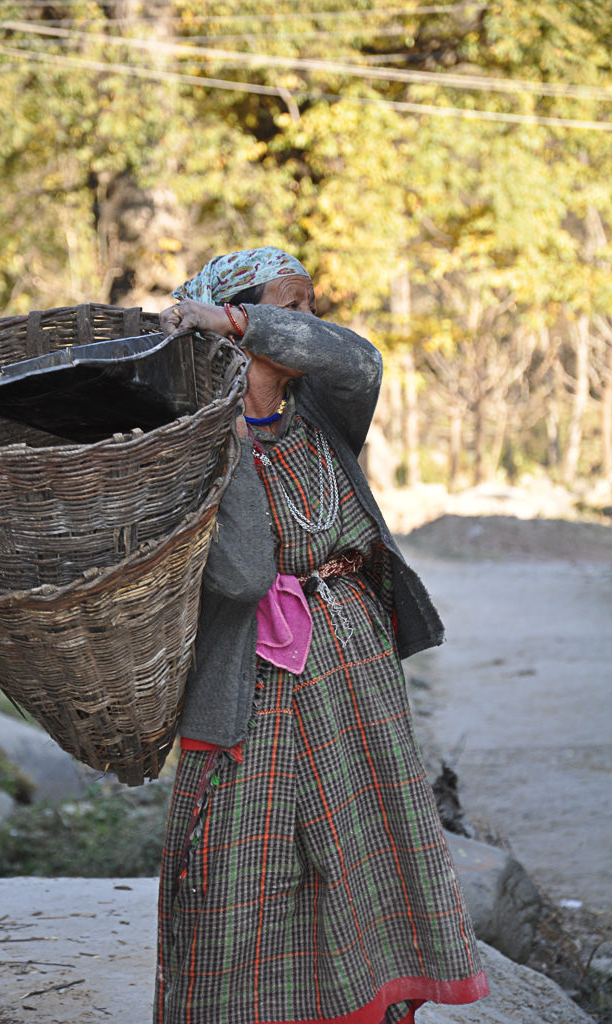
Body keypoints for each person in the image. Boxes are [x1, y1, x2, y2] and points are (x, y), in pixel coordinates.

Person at [154, 247, 489, 1024]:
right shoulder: (193, 443)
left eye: (304, 307)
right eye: (283, 308)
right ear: (225, 335)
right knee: (247, 856)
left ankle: (375, 1006)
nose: (302, 325)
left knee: (364, 843)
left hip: (352, 659)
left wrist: (239, 320)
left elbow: (355, 352)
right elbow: (239, 577)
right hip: (252, 676)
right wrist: (226, 437)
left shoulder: (329, 411)